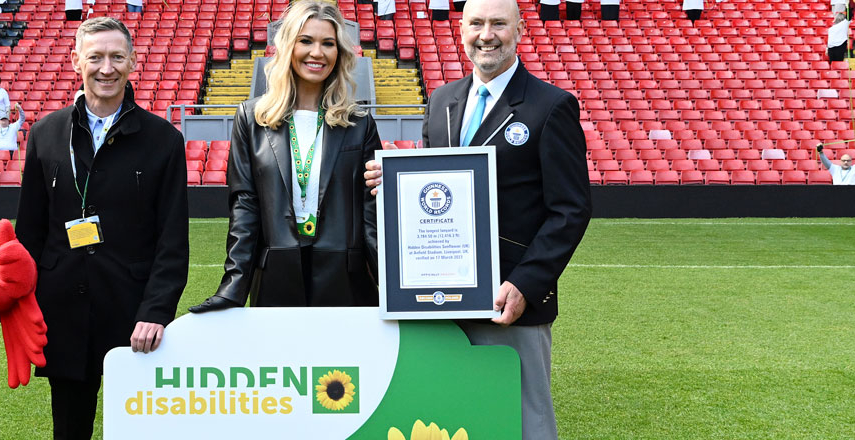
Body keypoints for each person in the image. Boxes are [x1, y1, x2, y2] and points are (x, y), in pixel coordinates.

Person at [364, 0, 591, 438]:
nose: (486, 34)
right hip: (437, 297)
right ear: (462, 30)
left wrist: (526, 284)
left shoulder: (551, 106)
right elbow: (435, 194)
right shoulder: (442, 100)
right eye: (476, 23)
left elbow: (571, 209)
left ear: (520, 30)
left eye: (498, 24)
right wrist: (390, 179)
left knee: (525, 420)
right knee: (450, 416)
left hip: (508, 300)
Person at [15, 16, 188, 440]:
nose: (106, 68)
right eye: (95, 57)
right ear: (77, 61)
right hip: (64, 313)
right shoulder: (45, 134)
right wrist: (24, 308)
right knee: (69, 429)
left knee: (139, 429)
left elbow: (172, 239)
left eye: (116, 57)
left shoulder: (163, 139)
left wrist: (155, 311)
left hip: (132, 315)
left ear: (132, 62)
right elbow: (30, 233)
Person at [188, 1, 380, 313]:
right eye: (306, 41)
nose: (317, 53)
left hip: (347, 285)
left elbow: (371, 214)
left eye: (328, 43)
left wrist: (396, 283)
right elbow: (245, 207)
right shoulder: (251, 118)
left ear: (339, 53)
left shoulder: (359, 124)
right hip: (275, 281)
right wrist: (234, 286)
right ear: (288, 46)